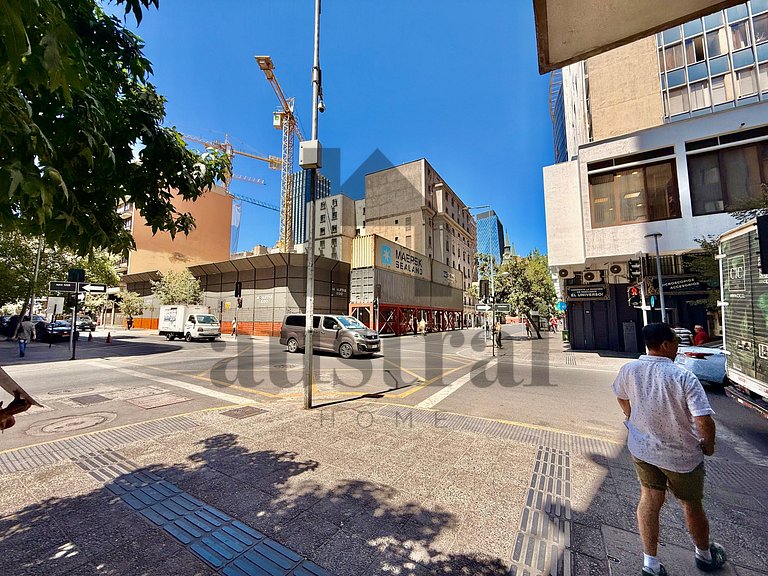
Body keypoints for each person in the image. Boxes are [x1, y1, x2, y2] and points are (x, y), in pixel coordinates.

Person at [612, 323, 726, 576]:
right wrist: (708, 445)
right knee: (691, 504)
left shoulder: (629, 370)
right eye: (675, 341)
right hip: (681, 455)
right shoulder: (683, 376)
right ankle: (704, 555)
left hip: (643, 450)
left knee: (650, 500)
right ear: (665, 345)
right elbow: (703, 420)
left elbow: (620, 395)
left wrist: (631, 416)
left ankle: (650, 564)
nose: (678, 346)